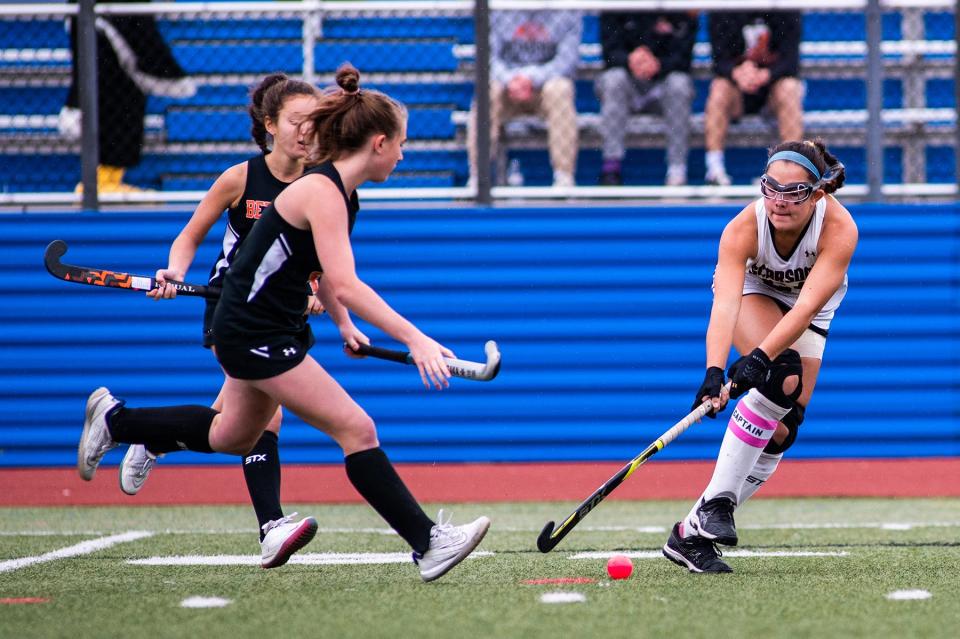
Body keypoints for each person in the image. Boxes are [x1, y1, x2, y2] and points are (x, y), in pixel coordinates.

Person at [77, 63, 491, 583]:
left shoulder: (339, 193)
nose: (404, 155)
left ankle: (117, 422)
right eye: (402, 144)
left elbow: (322, 278)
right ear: (379, 142)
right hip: (254, 333)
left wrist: (345, 327)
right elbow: (346, 282)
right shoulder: (322, 191)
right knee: (357, 428)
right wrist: (417, 339)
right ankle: (428, 542)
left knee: (231, 436)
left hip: (260, 329)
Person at [116, 73, 322, 569]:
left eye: (315, 122)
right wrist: (174, 272)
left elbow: (316, 256)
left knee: (236, 422)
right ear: (270, 125)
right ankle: (271, 527)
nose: (307, 132)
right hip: (233, 307)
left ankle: (147, 433)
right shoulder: (241, 178)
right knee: (265, 414)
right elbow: (189, 235)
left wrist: (313, 289)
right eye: (296, 121)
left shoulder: (322, 183)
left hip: (284, 312)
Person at [662, 139, 856, 573]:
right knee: (782, 377)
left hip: (810, 308)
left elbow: (805, 310)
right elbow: (726, 305)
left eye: (794, 193)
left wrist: (759, 357)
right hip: (756, 293)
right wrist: (714, 370)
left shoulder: (840, 229)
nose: (780, 202)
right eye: (772, 188)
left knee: (784, 429)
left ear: (818, 193)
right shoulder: (743, 227)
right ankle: (718, 504)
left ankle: (690, 532)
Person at [60, 0, 196, 193]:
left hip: (110, 21)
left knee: (122, 100)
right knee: (112, 99)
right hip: (103, 22)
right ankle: (99, 184)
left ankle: (107, 180)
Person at [468, 10, 582, 188]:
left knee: (561, 89)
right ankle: (478, 176)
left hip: (545, 86)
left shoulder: (567, 9)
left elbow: (567, 61)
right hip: (508, 87)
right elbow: (487, 56)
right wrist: (510, 79)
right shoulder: (497, 8)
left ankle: (564, 177)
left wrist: (531, 78)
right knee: (488, 91)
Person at [595, 11, 698, 186]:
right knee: (613, 79)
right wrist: (630, 59)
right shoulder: (616, 5)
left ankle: (677, 171)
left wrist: (658, 64)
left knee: (679, 84)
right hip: (627, 81)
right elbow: (609, 52)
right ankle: (611, 167)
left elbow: (684, 58)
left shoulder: (681, 8)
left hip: (664, 82)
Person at [703, 11, 804, 186]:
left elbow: (791, 61)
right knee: (719, 88)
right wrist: (738, 72)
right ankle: (714, 169)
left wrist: (766, 74)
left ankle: (790, 171)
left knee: (790, 87)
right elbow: (719, 61)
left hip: (772, 88)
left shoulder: (786, 7)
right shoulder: (723, 8)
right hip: (737, 89)